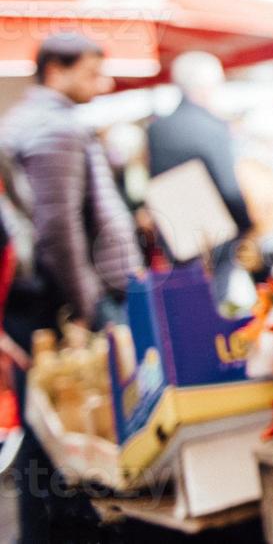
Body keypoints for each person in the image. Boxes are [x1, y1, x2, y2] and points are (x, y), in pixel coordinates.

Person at [0, 33, 145, 543]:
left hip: (29, 305)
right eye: (89, 72)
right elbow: (58, 229)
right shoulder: (55, 128)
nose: (100, 83)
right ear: (55, 70)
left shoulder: (22, 121)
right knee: (66, 430)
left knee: (44, 430)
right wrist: (86, 307)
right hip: (57, 304)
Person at [146, 51, 252, 236]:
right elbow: (229, 190)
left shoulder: (157, 129)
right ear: (208, 86)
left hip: (176, 233)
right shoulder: (212, 127)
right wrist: (247, 226)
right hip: (216, 236)